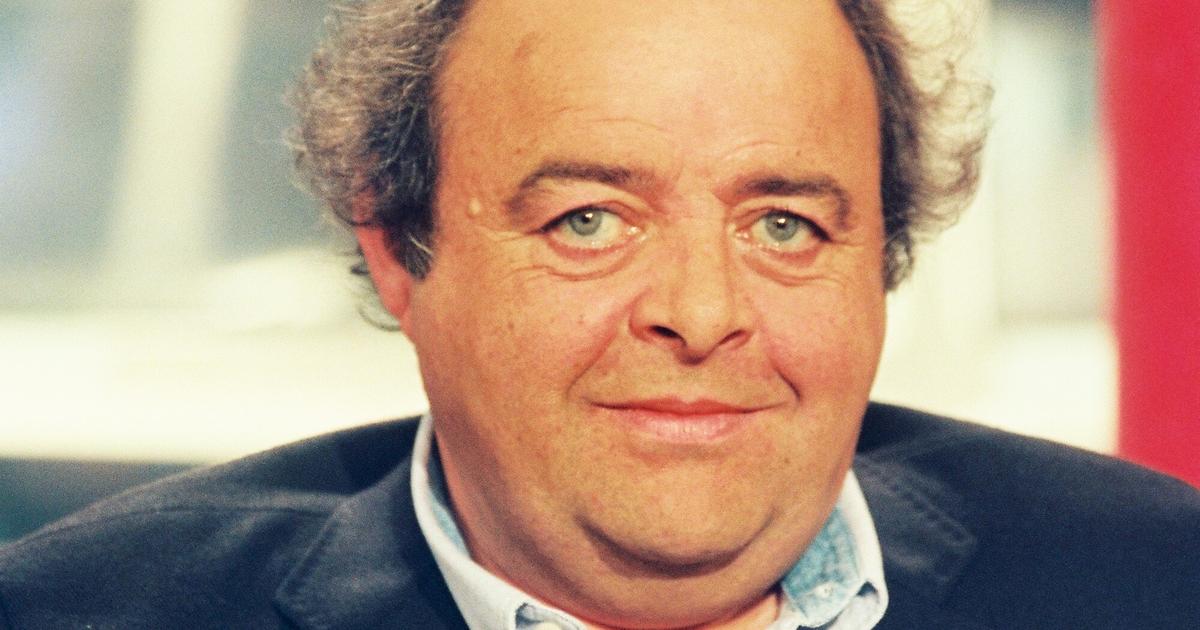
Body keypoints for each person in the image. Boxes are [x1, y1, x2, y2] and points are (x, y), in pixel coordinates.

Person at [1, 0, 1197, 628]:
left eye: (784, 224)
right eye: (589, 219)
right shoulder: (76, 614)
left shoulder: (1156, 583)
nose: (701, 312)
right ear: (398, 248)